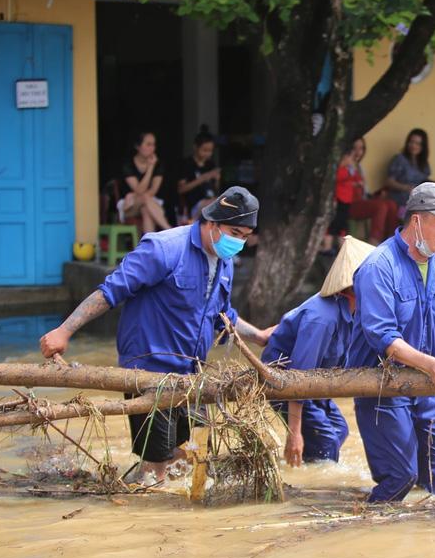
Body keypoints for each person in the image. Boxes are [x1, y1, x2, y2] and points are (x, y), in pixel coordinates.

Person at [39, 187, 273, 483]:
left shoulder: (223, 262)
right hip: (151, 374)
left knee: (193, 457)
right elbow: (111, 291)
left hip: (192, 377)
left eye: (245, 236)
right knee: (156, 467)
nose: (238, 242)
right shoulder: (163, 249)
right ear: (212, 223)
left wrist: (260, 336)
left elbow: (222, 317)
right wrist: (64, 330)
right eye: (234, 232)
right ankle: (143, 514)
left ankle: (176, 524)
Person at [347, 182, 435, 502]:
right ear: (417, 220)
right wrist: (434, 364)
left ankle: (430, 540)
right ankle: (371, 531)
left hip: (426, 381)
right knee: (400, 476)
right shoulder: (379, 266)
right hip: (382, 384)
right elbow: (384, 337)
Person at [261, 236, 375, 466]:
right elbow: (297, 379)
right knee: (325, 441)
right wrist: (294, 433)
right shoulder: (322, 320)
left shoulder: (354, 311)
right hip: (284, 384)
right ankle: (313, 492)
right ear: (355, 285)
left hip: (313, 385)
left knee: (339, 430)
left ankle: (305, 466)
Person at [347, 137, 401, 243]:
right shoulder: (344, 165)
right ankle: (374, 242)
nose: (358, 152)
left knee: (391, 204)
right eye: (354, 148)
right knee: (380, 206)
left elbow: (364, 192)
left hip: (360, 201)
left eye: (361, 148)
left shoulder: (359, 167)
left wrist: (376, 195)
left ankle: (391, 241)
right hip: (347, 204)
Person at [119, 131, 173, 234]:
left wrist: (134, 195)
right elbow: (139, 190)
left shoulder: (158, 164)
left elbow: (153, 191)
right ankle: (169, 230)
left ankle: (149, 247)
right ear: (137, 146)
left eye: (153, 144)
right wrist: (150, 168)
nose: (152, 148)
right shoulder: (128, 164)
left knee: (145, 210)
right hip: (129, 206)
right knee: (144, 198)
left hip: (149, 203)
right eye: (148, 144)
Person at [177, 127, 221, 223]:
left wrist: (217, 179)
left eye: (210, 151)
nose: (208, 154)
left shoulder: (210, 164)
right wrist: (202, 178)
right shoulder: (187, 164)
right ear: (195, 147)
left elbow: (215, 189)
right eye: (204, 150)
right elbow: (181, 189)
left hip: (211, 200)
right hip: (193, 205)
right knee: (214, 204)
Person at [385, 129, 431, 215]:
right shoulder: (399, 159)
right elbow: (389, 182)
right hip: (401, 195)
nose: (413, 145)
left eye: (417, 143)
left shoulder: (423, 163)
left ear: (423, 146)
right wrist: (407, 188)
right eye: (411, 142)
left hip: (418, 196)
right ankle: (405, 219)